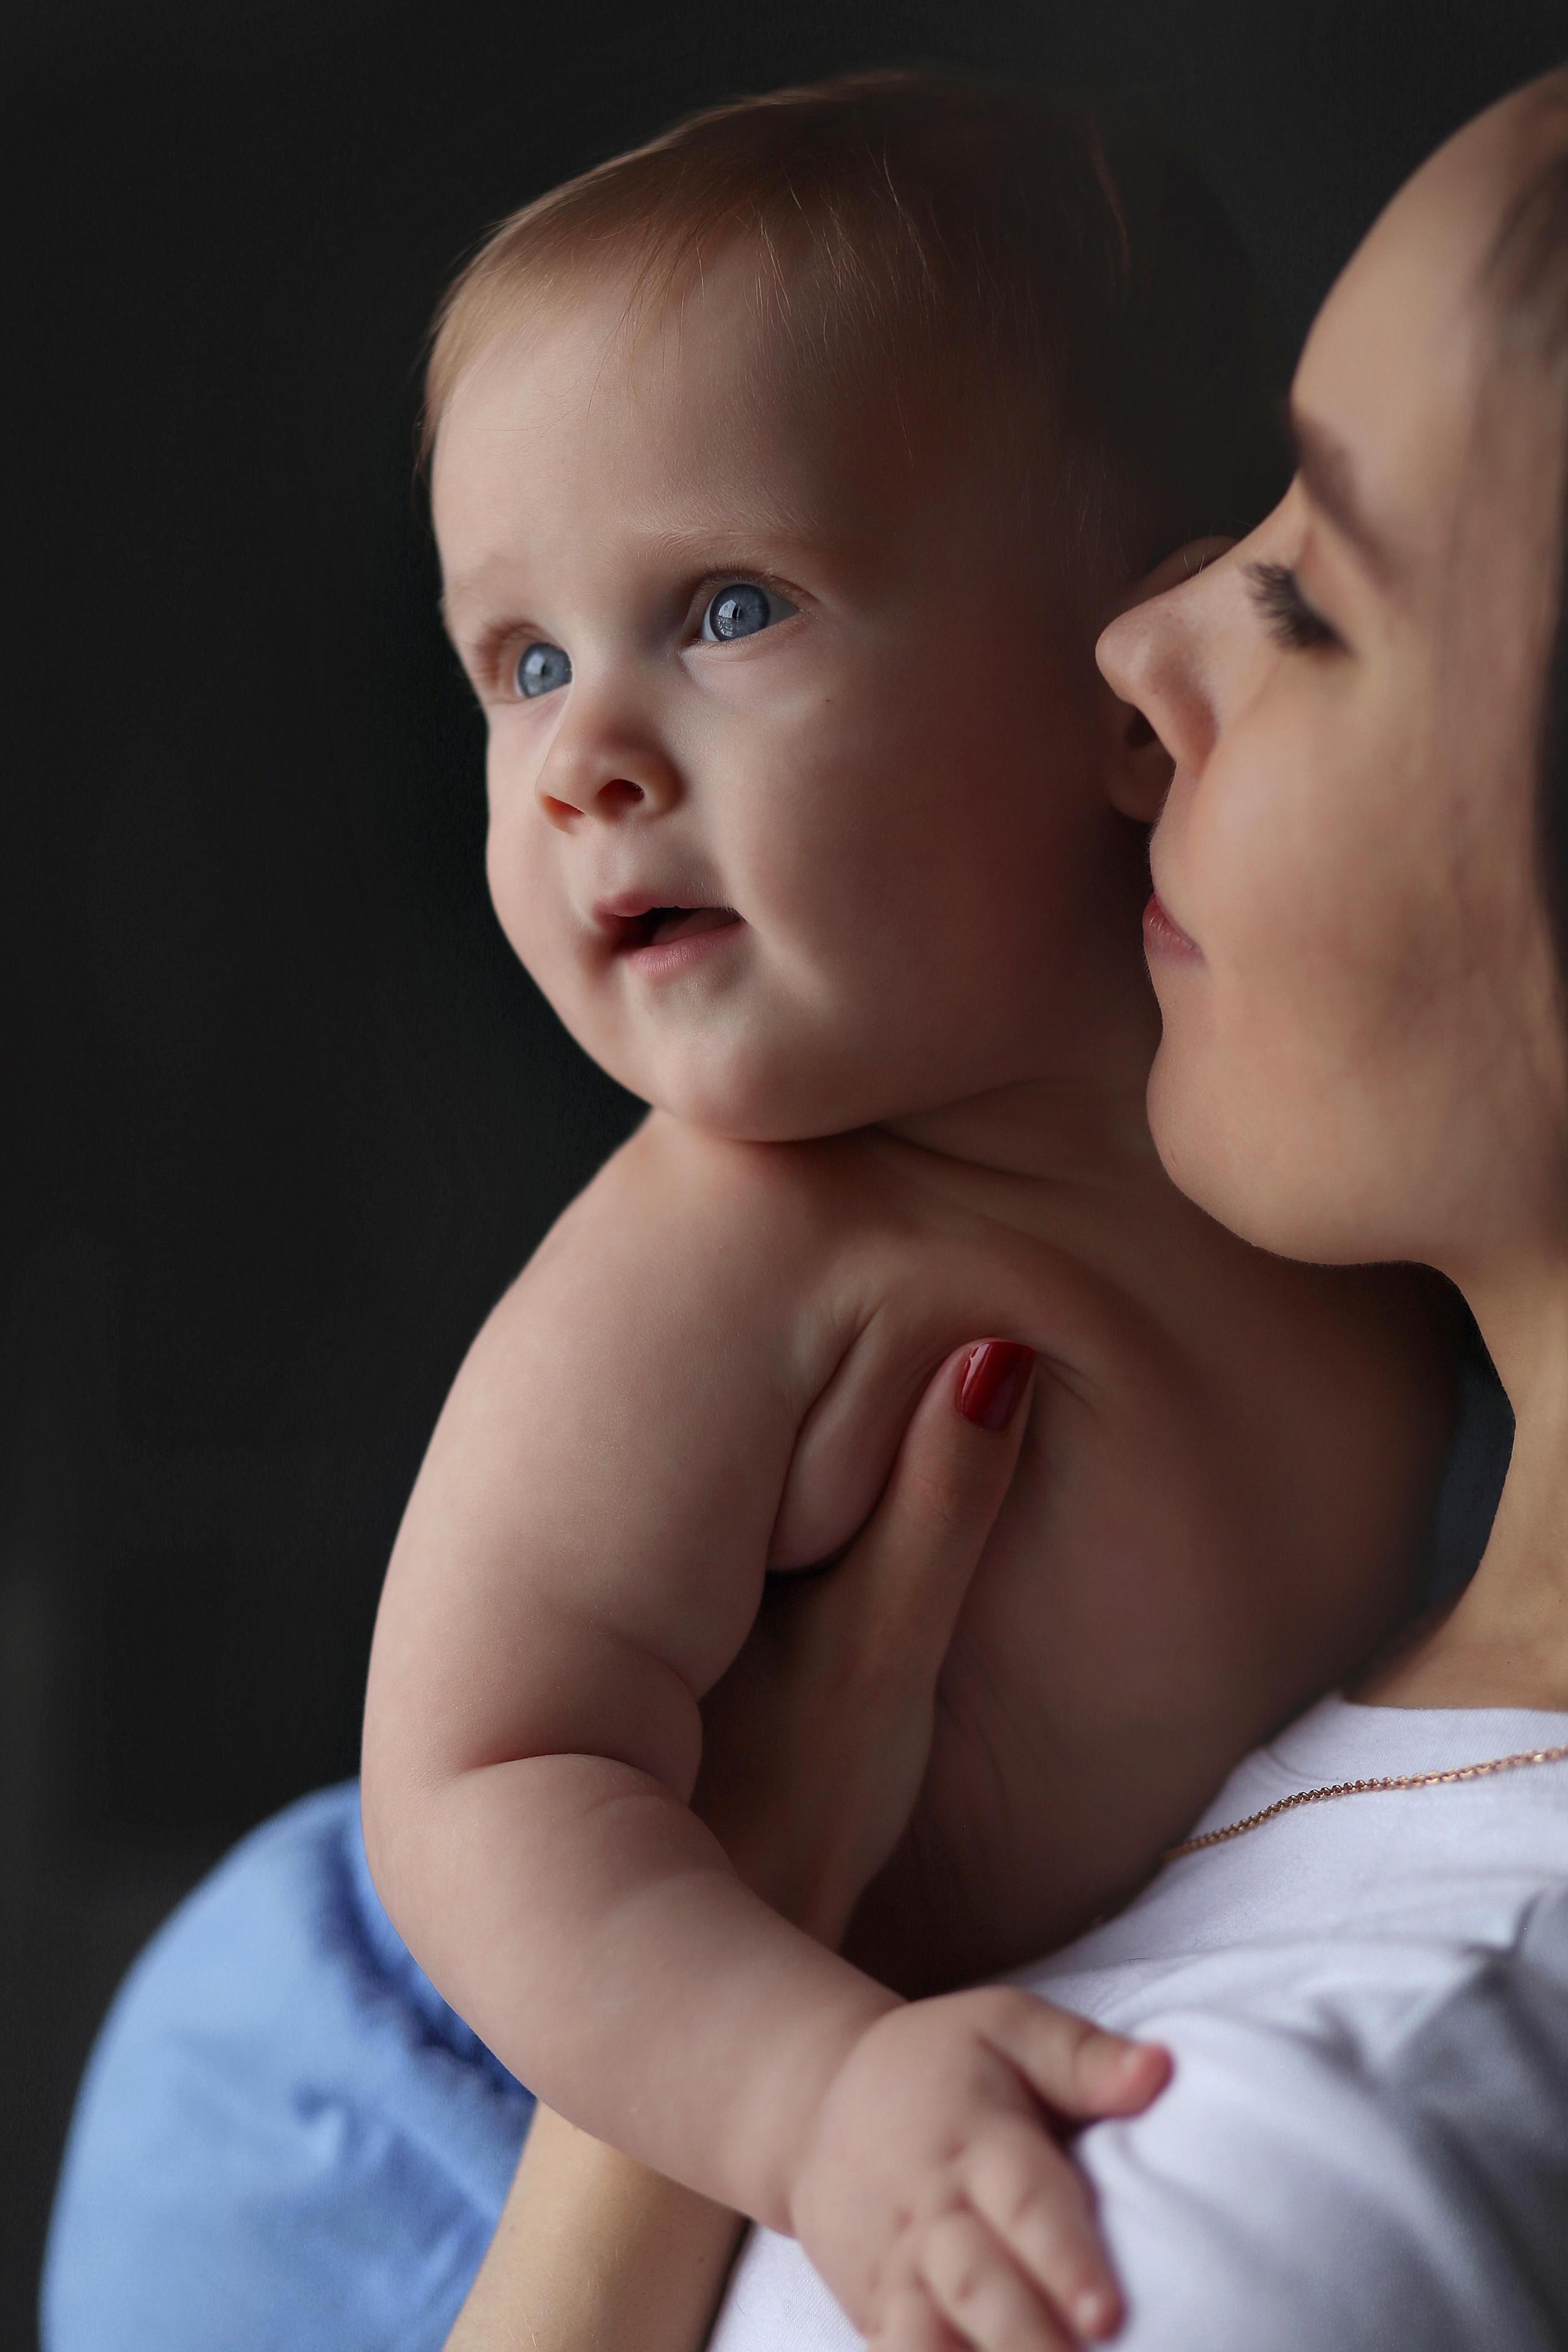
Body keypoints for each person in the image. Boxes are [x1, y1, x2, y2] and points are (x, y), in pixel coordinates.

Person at [444, 63, 1568, 2352]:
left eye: (734, 605)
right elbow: (487, 1780)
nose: (582, 758)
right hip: (512, 2028)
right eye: (524, 662)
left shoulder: (1289, 1192)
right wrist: (799, 2087)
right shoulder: (730, 1253)